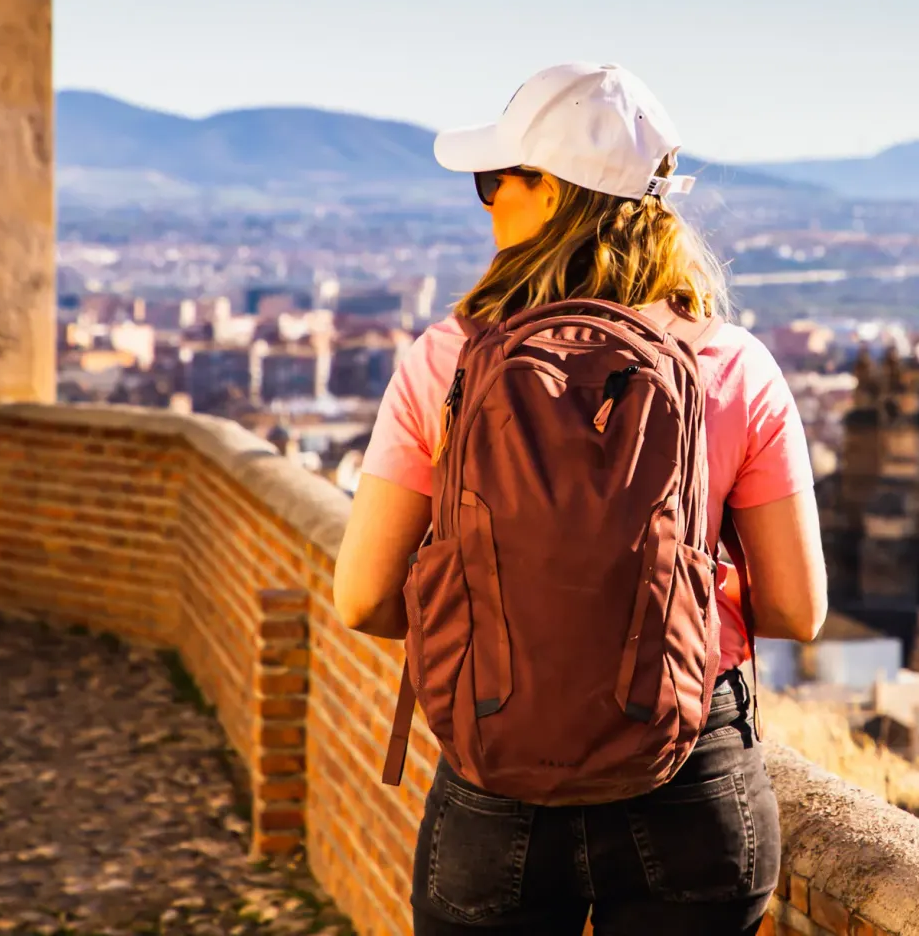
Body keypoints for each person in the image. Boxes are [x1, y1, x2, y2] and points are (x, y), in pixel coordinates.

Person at [334, 62, 828, 936]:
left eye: (496, 181)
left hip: (498, 762)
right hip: (689, 772)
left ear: (554, 196)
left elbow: (364, 596)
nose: (485, 205)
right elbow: (796, 608)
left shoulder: (444, 360)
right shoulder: (735, 365)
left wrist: (503, 617)